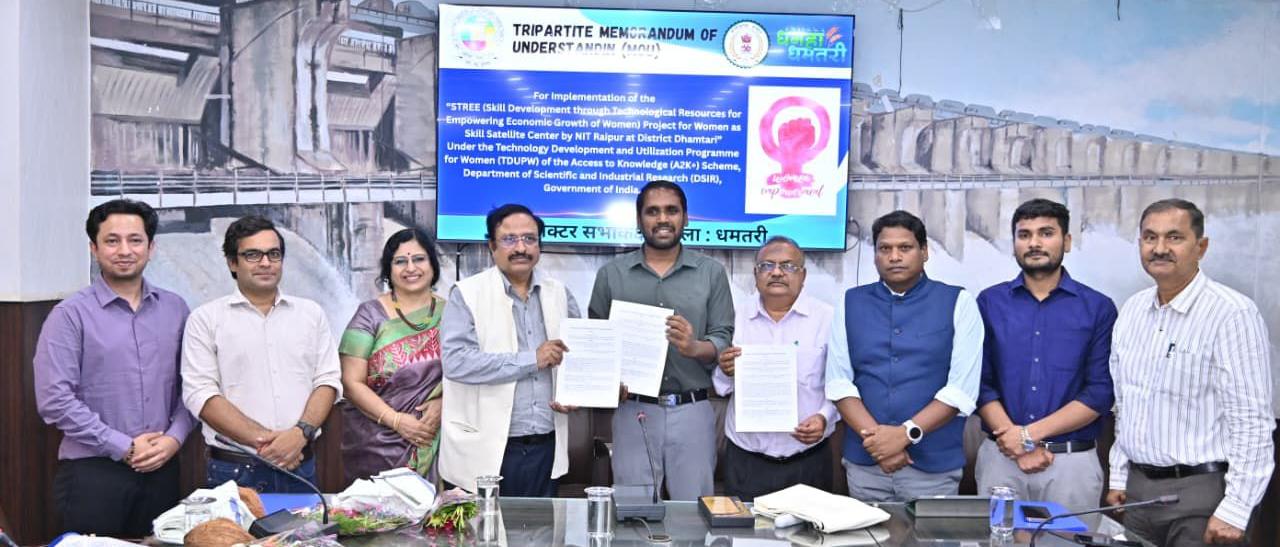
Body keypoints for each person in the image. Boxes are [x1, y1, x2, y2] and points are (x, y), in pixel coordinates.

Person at [1106, 199, 1274, 546]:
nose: (1160, 248)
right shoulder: (1132, 311)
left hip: (1202, 497)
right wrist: (1120, 476)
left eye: (1174, 237)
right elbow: (1125, 404)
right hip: (1138, 495)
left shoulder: (1232, 314)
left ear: (1201, 247)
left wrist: (1237, 508)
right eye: (1150, 237)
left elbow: (1252, 420)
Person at [34, 199, 193, 536]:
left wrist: (174, 439)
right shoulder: (70, 315)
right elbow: (54, 400)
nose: (124, 250)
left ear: (151, 247)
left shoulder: (176, 308)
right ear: (94, 248)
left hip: (163, 469)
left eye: (135, 240)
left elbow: (191, 386)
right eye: (111, 240)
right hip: (93, 473)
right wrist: (124, 446)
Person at [588, 180, 734, 501]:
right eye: (652, 212)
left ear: (686, 218)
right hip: (633, 409)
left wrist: (695, 347)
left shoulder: (711, 273)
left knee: (695, 512)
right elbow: (597, 344)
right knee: (633, 509)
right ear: (639, 220)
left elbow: (723, 338)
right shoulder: (612, 274)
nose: (663, 219)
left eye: (672, 211)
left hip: (693, 410)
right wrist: (608, 380)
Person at [824, 210, 983, 502]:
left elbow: (961, 390)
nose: (894, 256)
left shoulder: (958, 302)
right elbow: (839, 383)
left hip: (932, 468)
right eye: (885, 249)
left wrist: (903, 435)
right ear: (875, 256)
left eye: (905, 247)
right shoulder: (850, 302)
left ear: (924, 252)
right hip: (866, 466)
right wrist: (881, 444)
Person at [974, 199, 1117, 512]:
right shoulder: (990, 303)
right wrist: (1016, 445)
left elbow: (1099, 392)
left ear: (1067, 241)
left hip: (1071, 464)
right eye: (1024, 235)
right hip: (1001, 460)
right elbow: (980, 384)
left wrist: (1026, 437)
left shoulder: (1097, 308)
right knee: (998, 537)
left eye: (1046, 233)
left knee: (1069, 538)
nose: (1034, 243)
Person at [182, 215, 342, 492]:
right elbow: (201, 395)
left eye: (273, 254)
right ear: (233, 263)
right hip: (235, 471)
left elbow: (327, 381)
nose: (266, 263)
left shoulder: (311, 314)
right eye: (253, 255)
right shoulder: (205, 319)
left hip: (301, 465)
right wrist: (273, 445)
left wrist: (299, 435)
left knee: (307, 525)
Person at [439, 204, 580, 496]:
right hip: (487, 448)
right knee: (486, 526)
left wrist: (574, 394)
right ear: (492, 246)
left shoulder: (559, 293)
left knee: (540, 525)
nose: (521, 248)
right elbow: (456, 362)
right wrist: (532, 359)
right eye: (509, 239)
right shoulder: (466, 294)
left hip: (546, 443)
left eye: (529, 239)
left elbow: (576, 357)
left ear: (539, 246)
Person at [713, 236, 837, 501]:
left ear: (803, 275)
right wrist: (725, 369)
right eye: (767, 265)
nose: (777, 272)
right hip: (746, 459)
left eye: (788, 266)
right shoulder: (735, 318)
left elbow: (841, 382)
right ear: (755, 274)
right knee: (745, 528)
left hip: (808, 458)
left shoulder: (828, 319)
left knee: (811, 529)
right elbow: (721, 387)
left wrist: (824, 417)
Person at [339, 228, 446, 484]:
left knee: (438, 508)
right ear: (388, 270)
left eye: (419, 259)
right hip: (378, 445)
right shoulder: (369, 315)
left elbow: (470, 372)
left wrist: (445, 402)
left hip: (437, 439)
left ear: (432, 265)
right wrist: (396, 421)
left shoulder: (453, 313)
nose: (411, 268)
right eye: (400, 261)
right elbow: (351, 383)